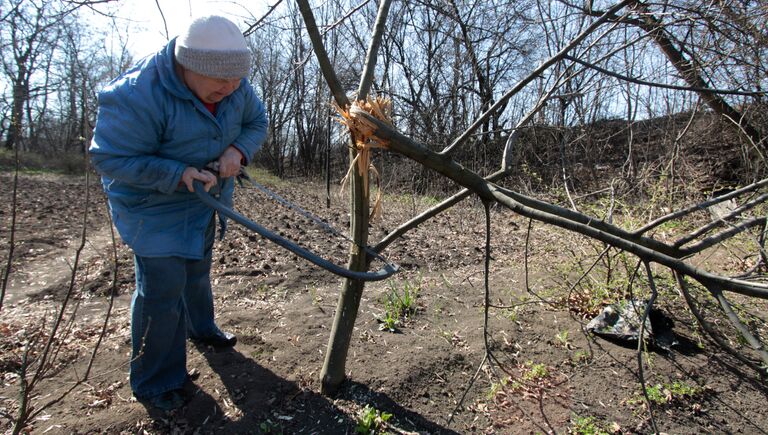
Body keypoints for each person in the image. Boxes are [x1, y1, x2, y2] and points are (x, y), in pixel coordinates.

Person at [89, 15, 268, 411]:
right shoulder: (138, 94)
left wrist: (236, 151)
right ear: (189, 67)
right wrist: (177, 173)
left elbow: (257, 121)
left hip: (205, 197)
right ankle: (157, 382)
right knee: (161, 287)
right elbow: (110, 157)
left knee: (196, 269)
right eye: (221, 83)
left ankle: (200, 328)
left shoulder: (233, 85)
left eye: (237, 81)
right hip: (151, 204)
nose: (231, 89)